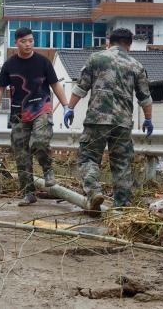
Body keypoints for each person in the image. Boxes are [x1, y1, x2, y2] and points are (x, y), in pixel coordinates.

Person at [64, 28, 153, 213]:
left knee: (88, 157)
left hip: (97, 119)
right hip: (122, 122)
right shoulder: (136, 65)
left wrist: (69, 108)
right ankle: (122, 207)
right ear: (129, 45)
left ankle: (94, 191)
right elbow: (145, 98)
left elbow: (81, 88)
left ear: (108, 42)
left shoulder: (96, 58)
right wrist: (148, 119)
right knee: (121, 163)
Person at [0, 28, 70, 206]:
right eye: (24, 41)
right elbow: (0, 88)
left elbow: (55, 84)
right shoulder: (10, 64)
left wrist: (66, 106)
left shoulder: (43, 62)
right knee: (21, 154)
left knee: (40, 141)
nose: (28, 44)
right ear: (16, 42)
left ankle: (48, 170)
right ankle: (28, 192)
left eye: (31, 41)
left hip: (42, 108)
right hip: (19, 113)